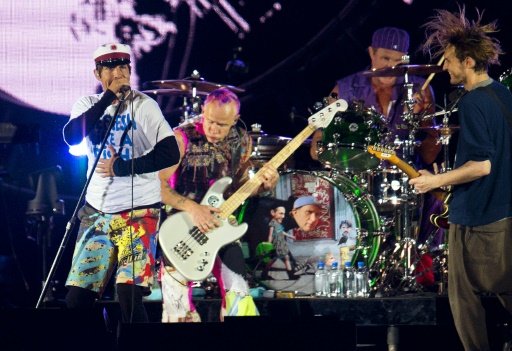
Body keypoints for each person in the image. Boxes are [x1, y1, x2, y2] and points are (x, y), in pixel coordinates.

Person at [410, 7, 512, 350]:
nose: (445, 66)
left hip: (478, 216)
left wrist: (434, 182)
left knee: (464, 301)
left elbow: (482, 165)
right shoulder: (504, 94)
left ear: (469, 62)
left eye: (451, 59)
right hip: (502, 211)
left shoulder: (473, 102)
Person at [62, 42, 180, 323]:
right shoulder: (87, 105)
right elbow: (71, 137)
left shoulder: (144, 105)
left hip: (139, 212)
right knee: (78, 299)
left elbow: (170, 152)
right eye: (109, 68)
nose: (117, 73)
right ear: (97, 74)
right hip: (97, 213)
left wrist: (123, 167)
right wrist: (107, 100)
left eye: (122, 67)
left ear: (129, 70)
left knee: (128, 293)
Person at [310, 26, 443, 251]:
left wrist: (424, 119)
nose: (391, 67)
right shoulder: (344, 88)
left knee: (438, 202)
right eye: (385, 58)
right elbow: (316, 148)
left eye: (399, 61)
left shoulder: (421, 88)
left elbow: (430, 151)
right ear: (371, 53)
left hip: (406, 180)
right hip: (356, 181)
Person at [157, 88, 280, 322]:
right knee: (177, 305)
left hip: (221, 227)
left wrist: (262, 185)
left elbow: (242, 187)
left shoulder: (242, 140)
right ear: (203, 110)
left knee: (240, 296)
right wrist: (194, 208)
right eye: (210, 121)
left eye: (221, 125)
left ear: (234, 120)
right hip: (181, 228)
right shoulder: (180, 138)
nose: (213, 129)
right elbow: (157, 186)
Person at [267, 205, 296, 273]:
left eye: (283, 214)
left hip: (281, 243)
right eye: (281, 213)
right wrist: (268, 245)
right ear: (273, 213)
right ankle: (291, 274)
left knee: (274, 259)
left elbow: (281, 232)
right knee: (285, 257)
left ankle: (264, 274)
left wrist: (290, 236)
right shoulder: (273, 223)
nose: (283, 216)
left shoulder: (277, 223)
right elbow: (270, 235)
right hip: (277, 244)